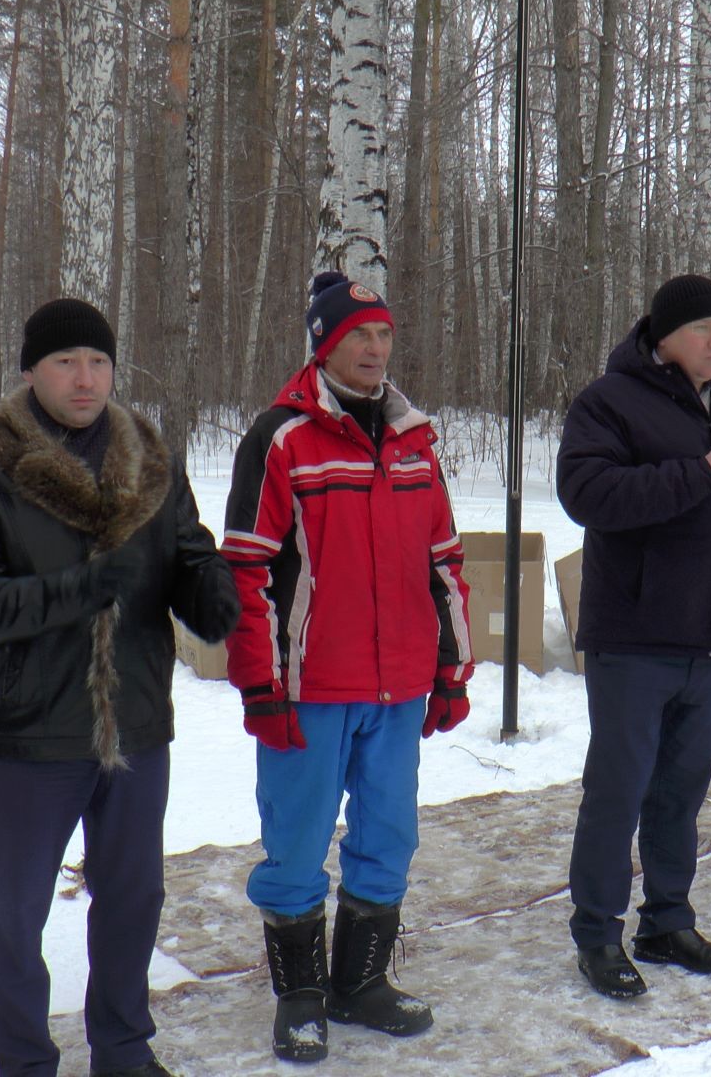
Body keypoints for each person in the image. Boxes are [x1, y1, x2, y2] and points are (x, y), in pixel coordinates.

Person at [0, 297, 237, 1077]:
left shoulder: (151, 459)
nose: (85, 377)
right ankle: (25, 1063)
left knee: (134, 902)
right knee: (17, 915)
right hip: (36, 730)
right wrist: (85, 587)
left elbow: (187, 551)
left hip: (137, 721)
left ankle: (124, 1051)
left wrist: (213, 591)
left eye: (98, 361)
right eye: (66, 361)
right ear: (30, 370)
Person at [221, 271, 473, 1063]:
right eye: (356, 335)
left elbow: (446, 563)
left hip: (398, 688)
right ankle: (300, 995)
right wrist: (261, 684)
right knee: (295, 845)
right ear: (325, 344)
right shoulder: (282, 438)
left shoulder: (415, 441)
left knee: (389, 835)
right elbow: (247, 570)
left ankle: (360, 983)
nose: (373, 348)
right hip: (310, 691)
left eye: (383, 334)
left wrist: (453, 668)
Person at [556, 274, 711, 999]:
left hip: (706, 639)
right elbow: (587, 495)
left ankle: (668, 922)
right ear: (662, 336)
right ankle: (598, 933)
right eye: (701, 329)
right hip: (633, 637)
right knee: (618, 792)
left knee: (680, 794)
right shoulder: (610, 401)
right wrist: (695, 474)